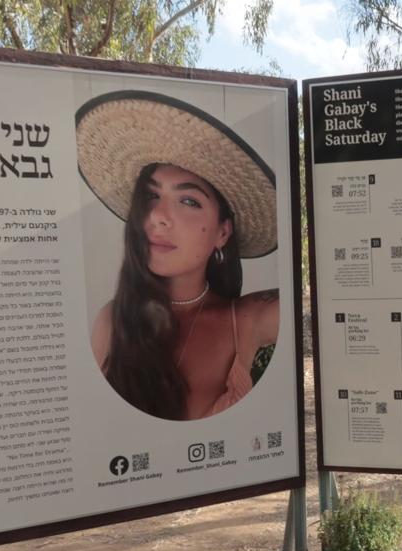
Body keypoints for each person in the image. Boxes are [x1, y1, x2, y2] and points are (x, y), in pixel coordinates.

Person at [77, 91, 280, 421]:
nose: (158, 216)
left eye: (188, 201)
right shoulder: (113, 323)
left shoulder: (246, 319)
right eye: (151, 195)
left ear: (222, 233)